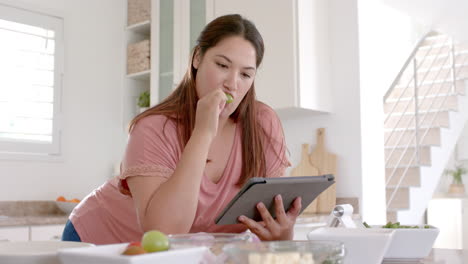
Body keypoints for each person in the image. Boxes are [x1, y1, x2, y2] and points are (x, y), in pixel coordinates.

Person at [62, 14, 301, 245]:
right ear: (197, 58)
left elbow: (270, 215)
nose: (232, 84)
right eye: (222, 65)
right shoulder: (153, 127)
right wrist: (203, 133)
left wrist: (281, 233)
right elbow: (165, 231)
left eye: (246, 74)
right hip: (100, 238)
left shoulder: (262, 123)